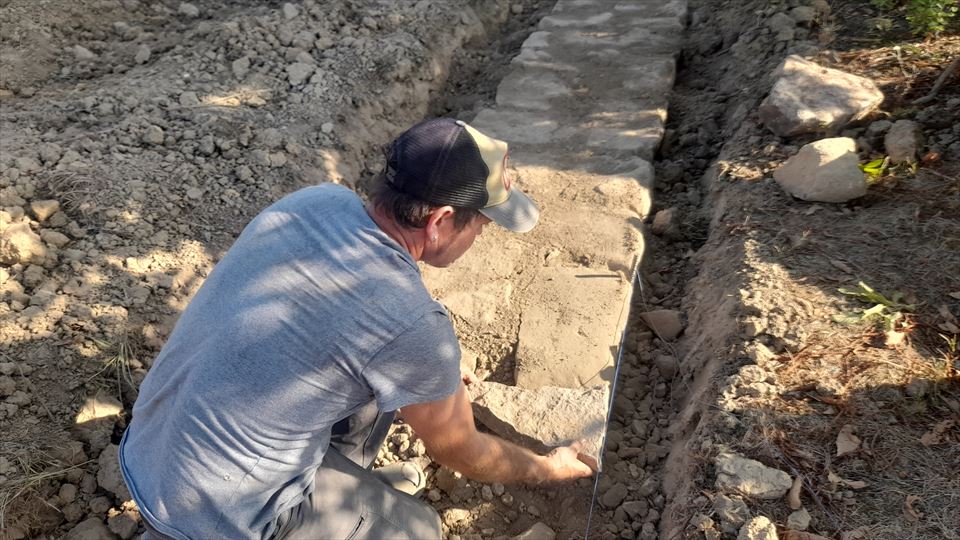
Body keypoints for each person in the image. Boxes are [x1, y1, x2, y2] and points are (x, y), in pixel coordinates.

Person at [119, 118, 595, 540]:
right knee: (420, 530)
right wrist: (548, 469)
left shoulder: (317, 200)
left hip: (151, 447)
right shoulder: (409, 328)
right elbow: (462, 452)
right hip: (219, 515)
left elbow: (353, 322)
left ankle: (347, 484)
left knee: (376, 388)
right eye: (483, 224)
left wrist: (431, 372)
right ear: (440, 221)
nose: (483, 234)